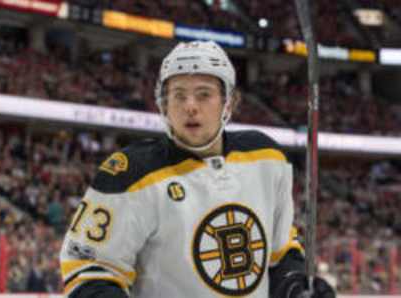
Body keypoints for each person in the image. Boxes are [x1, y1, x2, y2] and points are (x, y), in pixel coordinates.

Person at [59, 40, 335, 298]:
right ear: (164, 105)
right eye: (179, 96)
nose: (190, 107)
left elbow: (281, 251)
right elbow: (89, 270)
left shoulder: (266, 157)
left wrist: (294, 285)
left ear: (229, 102)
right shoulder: (131, 173)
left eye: (204, 94)